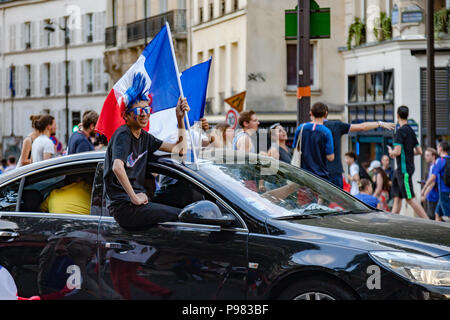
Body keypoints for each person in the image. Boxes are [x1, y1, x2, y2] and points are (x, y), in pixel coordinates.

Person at [104, 72, 189, 229]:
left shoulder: (145, 137)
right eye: (138, 111)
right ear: (126, 116)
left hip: (139, 203)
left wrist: (180, 119)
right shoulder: (124, 134)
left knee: (182, 212)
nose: (144, 114)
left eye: (147, 109)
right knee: (181, 217)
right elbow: (117, 166)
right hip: (125, 207)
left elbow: (180, 150)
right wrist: (134, 197)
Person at [323, 105, 395, 188]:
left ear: (311, 114)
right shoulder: (335, 125)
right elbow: (362, 127)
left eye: (347, 158)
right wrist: (380, 124)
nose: (346, 160)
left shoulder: (306, 127)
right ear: (326, 113)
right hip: (334, 171)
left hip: (314, 172)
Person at [389, 106, 428, 219]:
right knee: (397, 197)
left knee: (409, 198)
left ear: (397, 116)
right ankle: (392, 222)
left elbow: (397, 151)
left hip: (404, 169)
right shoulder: (411, 131)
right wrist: (408, 153)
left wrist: (391, 152)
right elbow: (419, 151)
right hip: (401, 170)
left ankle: (428, 221)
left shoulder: (399, 132)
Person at [292, 102, 334, 181]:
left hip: (303, 175)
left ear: (311, 113)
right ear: (326, 114)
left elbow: (295, 149)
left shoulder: (301, 128)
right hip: (320, 176)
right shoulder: (326, 132)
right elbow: (330, 157)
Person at [423, 141, 450, 221]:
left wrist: (424, 188)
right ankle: (439, 232)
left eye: (438, 147)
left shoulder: (440, 160)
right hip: (447, 191)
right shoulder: (449, 159)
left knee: (448, 214)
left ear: (441, 148)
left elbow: (433, 176)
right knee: (437, 213)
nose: (437, 149)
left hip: (444, 191)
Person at [421, 147, 440, 220]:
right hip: (431, 195)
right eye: (425, 155)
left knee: (432, 216)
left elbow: (432, 183)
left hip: (434, 196)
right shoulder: (432, 166)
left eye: (428, 155)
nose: (426, 157)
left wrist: (424, 194)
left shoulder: (435, 166)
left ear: (433, 156)